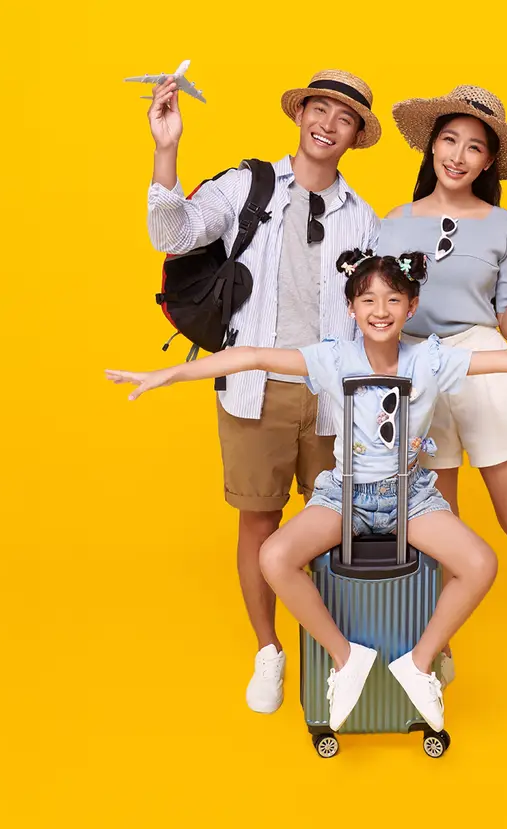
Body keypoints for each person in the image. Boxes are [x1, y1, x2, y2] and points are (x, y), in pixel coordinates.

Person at [104, 249, 507, 730]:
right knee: (275, 557)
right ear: (351, 308)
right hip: (344, 495)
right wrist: (166, 375)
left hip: (411, 496)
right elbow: (251, 357)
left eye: (393, 299)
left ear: (410, 308)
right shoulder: (331, 357)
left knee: (481, 563)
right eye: (367, 299)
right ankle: (346, 659)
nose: (380, 309)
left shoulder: (431, 359)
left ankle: (419, 662)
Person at [144, 69, 384, 714]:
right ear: (300, 113)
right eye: (319, 108)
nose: (327, 124)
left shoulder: (363, 219)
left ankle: (337, 655)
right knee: (259, 519)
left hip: (334, 398)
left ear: (357, 135)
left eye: (344, 117)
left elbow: (379, 316)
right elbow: (171, 236)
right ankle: (268, 650)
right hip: (254, 388)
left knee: (337, 528)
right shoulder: (247, 186)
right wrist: (167, 148)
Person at [375, 85, 507, 690]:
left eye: (474, 147)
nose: (459, 155)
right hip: (416, 366)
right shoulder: (389, 224)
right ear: (431, 146)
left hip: (483, 358)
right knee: (439, 520)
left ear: (489, 162)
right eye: (449, 140)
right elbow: (377, 310)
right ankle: (439, 649)